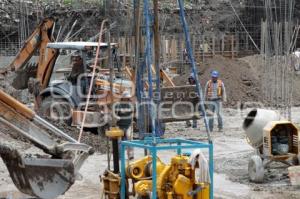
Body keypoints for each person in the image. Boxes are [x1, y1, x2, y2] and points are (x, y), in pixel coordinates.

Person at [115, 91, 134, 160]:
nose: (127, 99)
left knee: (129, 139)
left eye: (128, 98)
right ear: (123, 98)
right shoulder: (118, 105)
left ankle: (130, 155)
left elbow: (133, 113)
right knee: (119, 141)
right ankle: (120, 156)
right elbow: (114, 114)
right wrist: (116, 117)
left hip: (128, 126)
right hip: (120, 126)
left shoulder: (130, 105)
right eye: (125, 98)